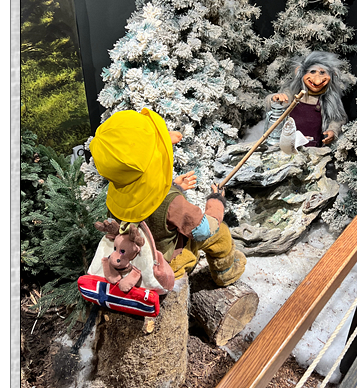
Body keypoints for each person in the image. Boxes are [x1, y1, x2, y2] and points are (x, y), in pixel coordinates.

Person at [89, 108, 246, 287]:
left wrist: (174, 187)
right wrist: (216, 202)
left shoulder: (116, 194)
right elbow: (203, 230)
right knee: (220, 233)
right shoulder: (173, 203)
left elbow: (143, 198)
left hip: (134, 258)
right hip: (166, 265)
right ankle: (226, 273)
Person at [268, 51, 348, 147]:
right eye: (312, 71)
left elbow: (338, 119)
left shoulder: (329, 100)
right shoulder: (293, 92)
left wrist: (333, 131)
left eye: (322, 72)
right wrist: (275, 98)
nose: (317, 78)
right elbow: (274, 106)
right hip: (289, 142)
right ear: (301, 72)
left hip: (312, 144)